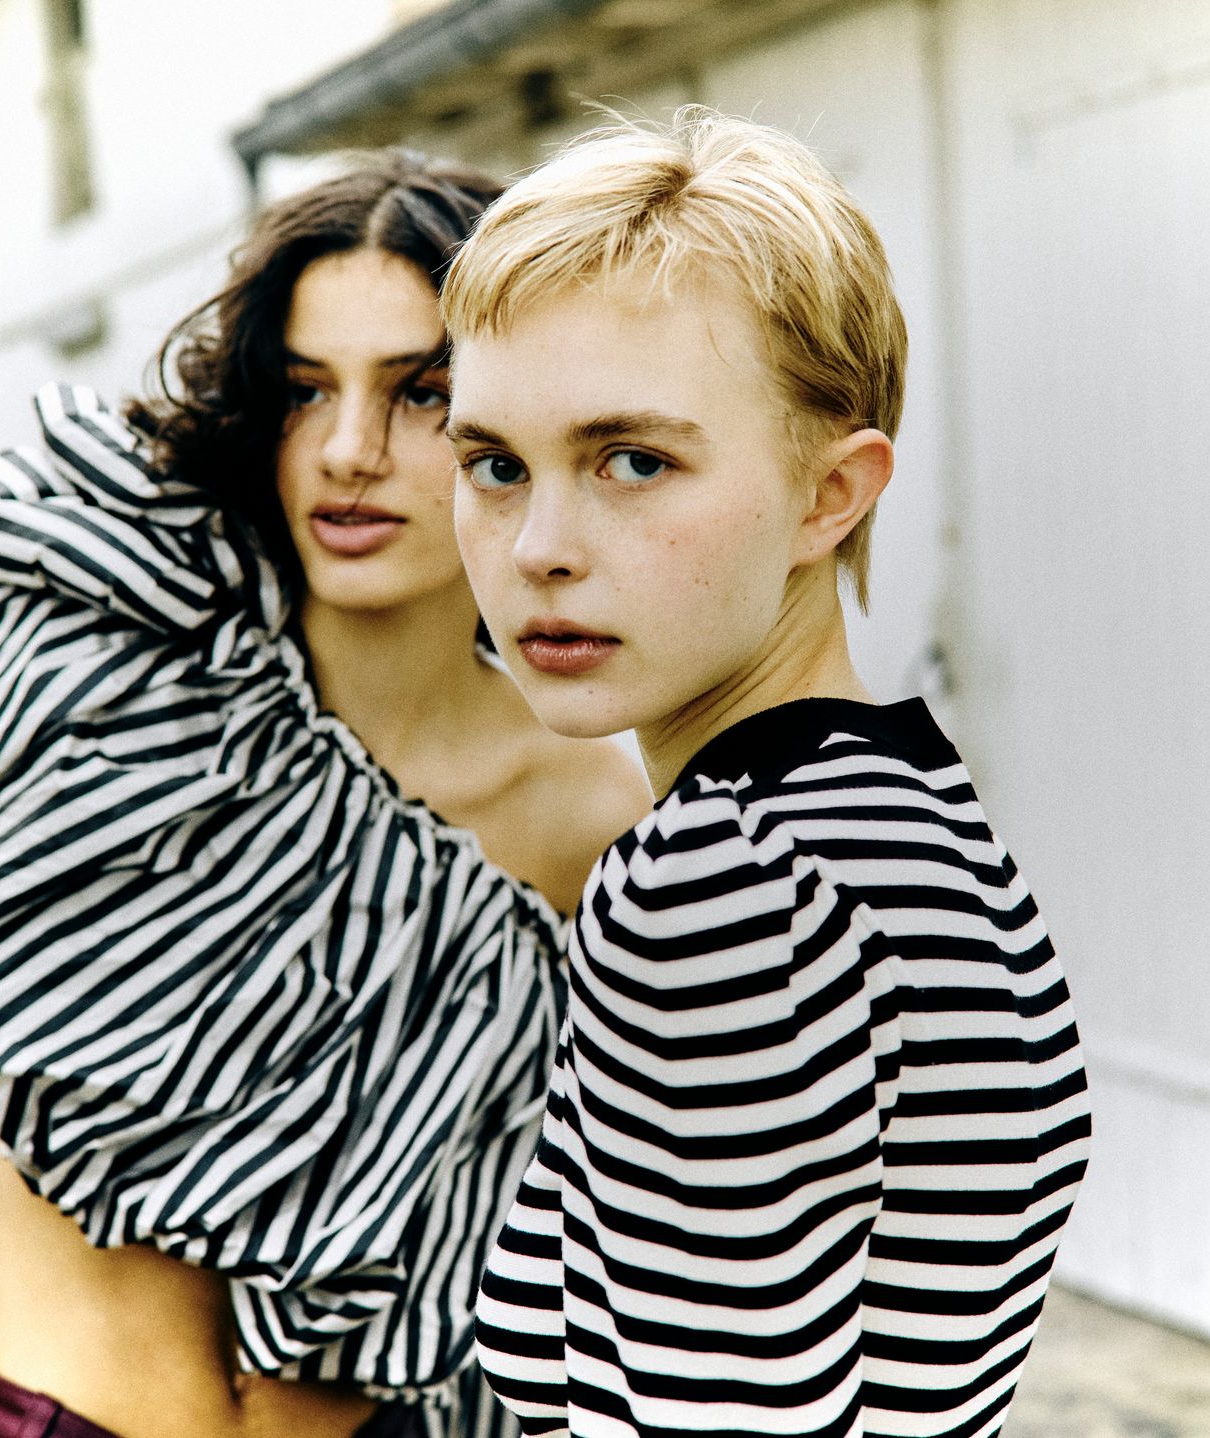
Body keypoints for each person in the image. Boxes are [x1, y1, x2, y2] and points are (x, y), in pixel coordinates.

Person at [0, 152, 650, 1438]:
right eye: (302, 392)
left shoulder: (591, 812)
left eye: (420, 393)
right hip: (47, 1415)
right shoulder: (101, 650)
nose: (348, 450)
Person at [439, 110, 1092, 1437]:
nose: (541, 546)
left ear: (829, 494)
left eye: (634, 460)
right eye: (494, 464)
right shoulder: (909, 819)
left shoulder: (726, 882)